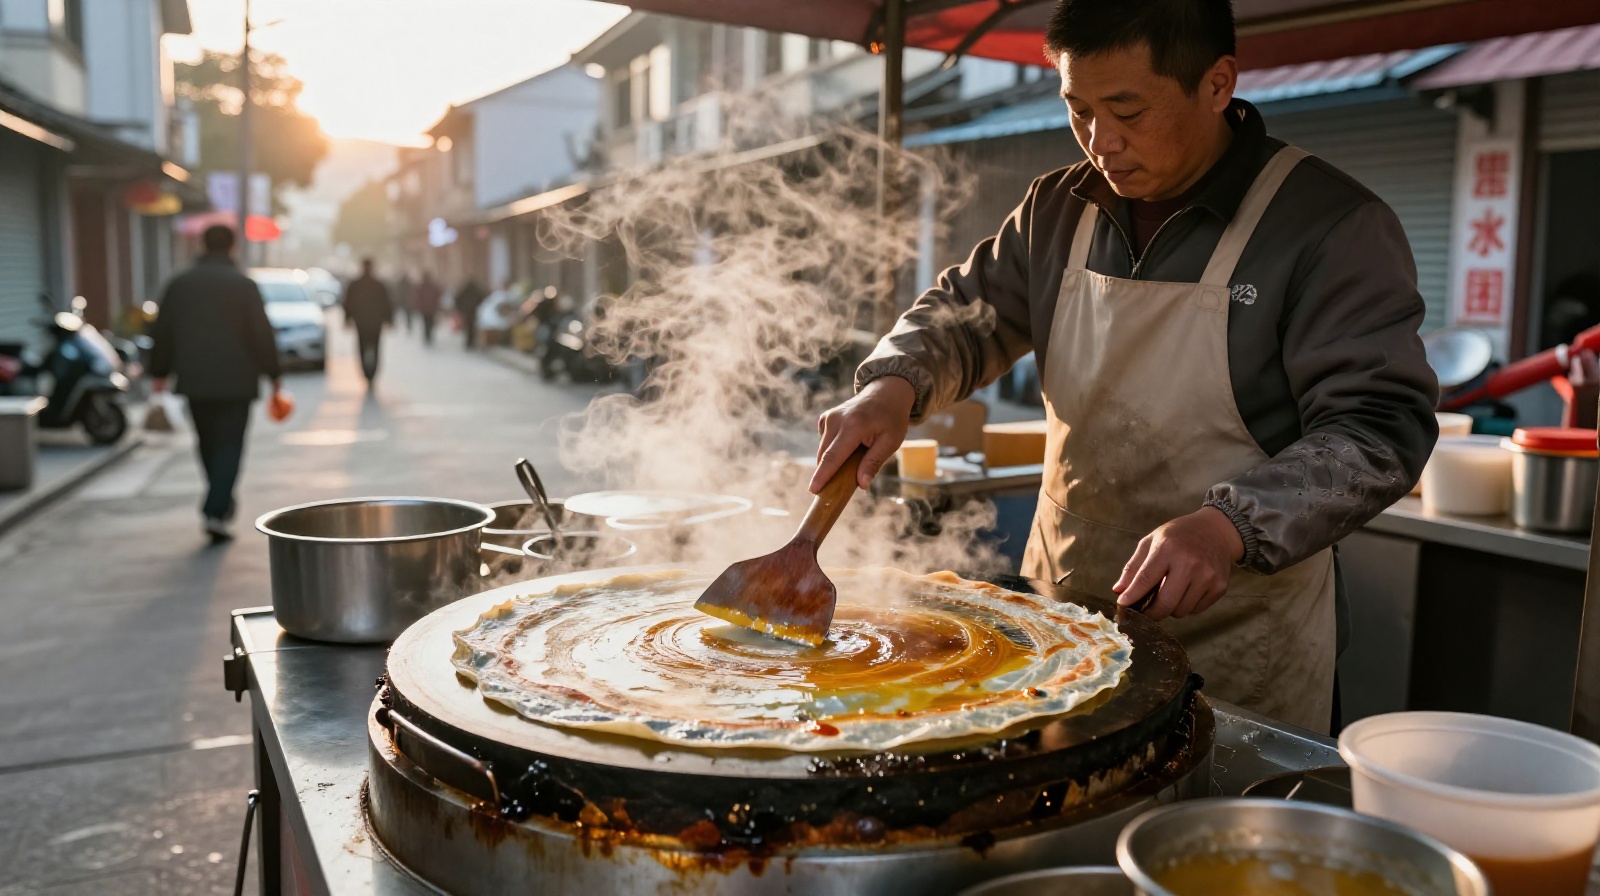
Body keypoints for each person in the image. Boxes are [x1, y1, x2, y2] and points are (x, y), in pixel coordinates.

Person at [812, 0, 1438, 734]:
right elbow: (963, 313)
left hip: (1238, 639)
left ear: (1217, 83)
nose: (1101, 142)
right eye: (1078, 110)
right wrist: (895, 382)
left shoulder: (1327, 227)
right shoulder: (1057, 207)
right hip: (1065, 618)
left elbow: (1379, 429)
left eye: (1128, 110)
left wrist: (1226, 525)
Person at [148, 224, 282, 544]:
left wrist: (159, 373)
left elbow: (162, 332)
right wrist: (274, 375)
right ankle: (216, 505)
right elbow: (261, 334)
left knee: (207, 444)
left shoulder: (179, 284)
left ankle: (218, 502)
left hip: (195, 380)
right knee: (230, 445)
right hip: (237, 381)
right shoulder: (243, 285)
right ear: (233, 247)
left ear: (201, 245)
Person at [343, 259, 394, 384]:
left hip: (362, 322)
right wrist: (389, 319)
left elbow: (348, 303)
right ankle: (371, 374)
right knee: (375, 347)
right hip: (374, 323)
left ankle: (367, 374)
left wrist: (347, 318)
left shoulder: (356, 284)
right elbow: (387, 303)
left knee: (362, 347)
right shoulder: (378, 284)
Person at [454, 277, 486, 350]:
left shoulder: (465, 291)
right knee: (471, 327)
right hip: (472, 312)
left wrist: (460, 309)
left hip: (467, 312)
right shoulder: (475, 291)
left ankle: (469, 342)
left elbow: (457, 299)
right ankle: (470, 342)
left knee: (468, 327)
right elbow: (482, 298)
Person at [414, 272, 442, 346]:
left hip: (426, 309)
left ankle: (427, 336)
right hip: (430, 309)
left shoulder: (422, 286)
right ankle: (428, 335)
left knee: (427, 323)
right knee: (429, 323)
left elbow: (418, 298)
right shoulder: (432, 286)